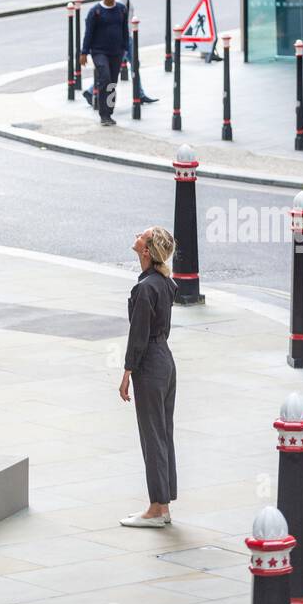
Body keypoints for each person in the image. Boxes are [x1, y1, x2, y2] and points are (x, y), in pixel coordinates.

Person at [118, 225, 178, 528]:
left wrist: (127, 372)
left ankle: (156, 508)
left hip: (151, 364)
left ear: (146, 249)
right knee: (163, 433)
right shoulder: (163, 282)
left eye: (142, 234)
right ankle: (163, 504)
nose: (137, 234)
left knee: (152, 435)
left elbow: (138, 335)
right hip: (166, 360)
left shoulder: (145, 288)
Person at [80, 0, 129, 126]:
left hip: (117, 52)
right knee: (105, 78)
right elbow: (88, 33)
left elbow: (124, 30)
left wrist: (125, 48)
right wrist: (84, 52)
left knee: (112, 84)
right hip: (99, 52)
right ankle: (103, 114)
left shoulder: (121, 9)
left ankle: (110, 112)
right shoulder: (95, 11)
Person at [117, 0, 158, 104]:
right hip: (124, 38)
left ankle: (139, 94)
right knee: (115, 67)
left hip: (126, 37)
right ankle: (91, 91)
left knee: (134, 64)